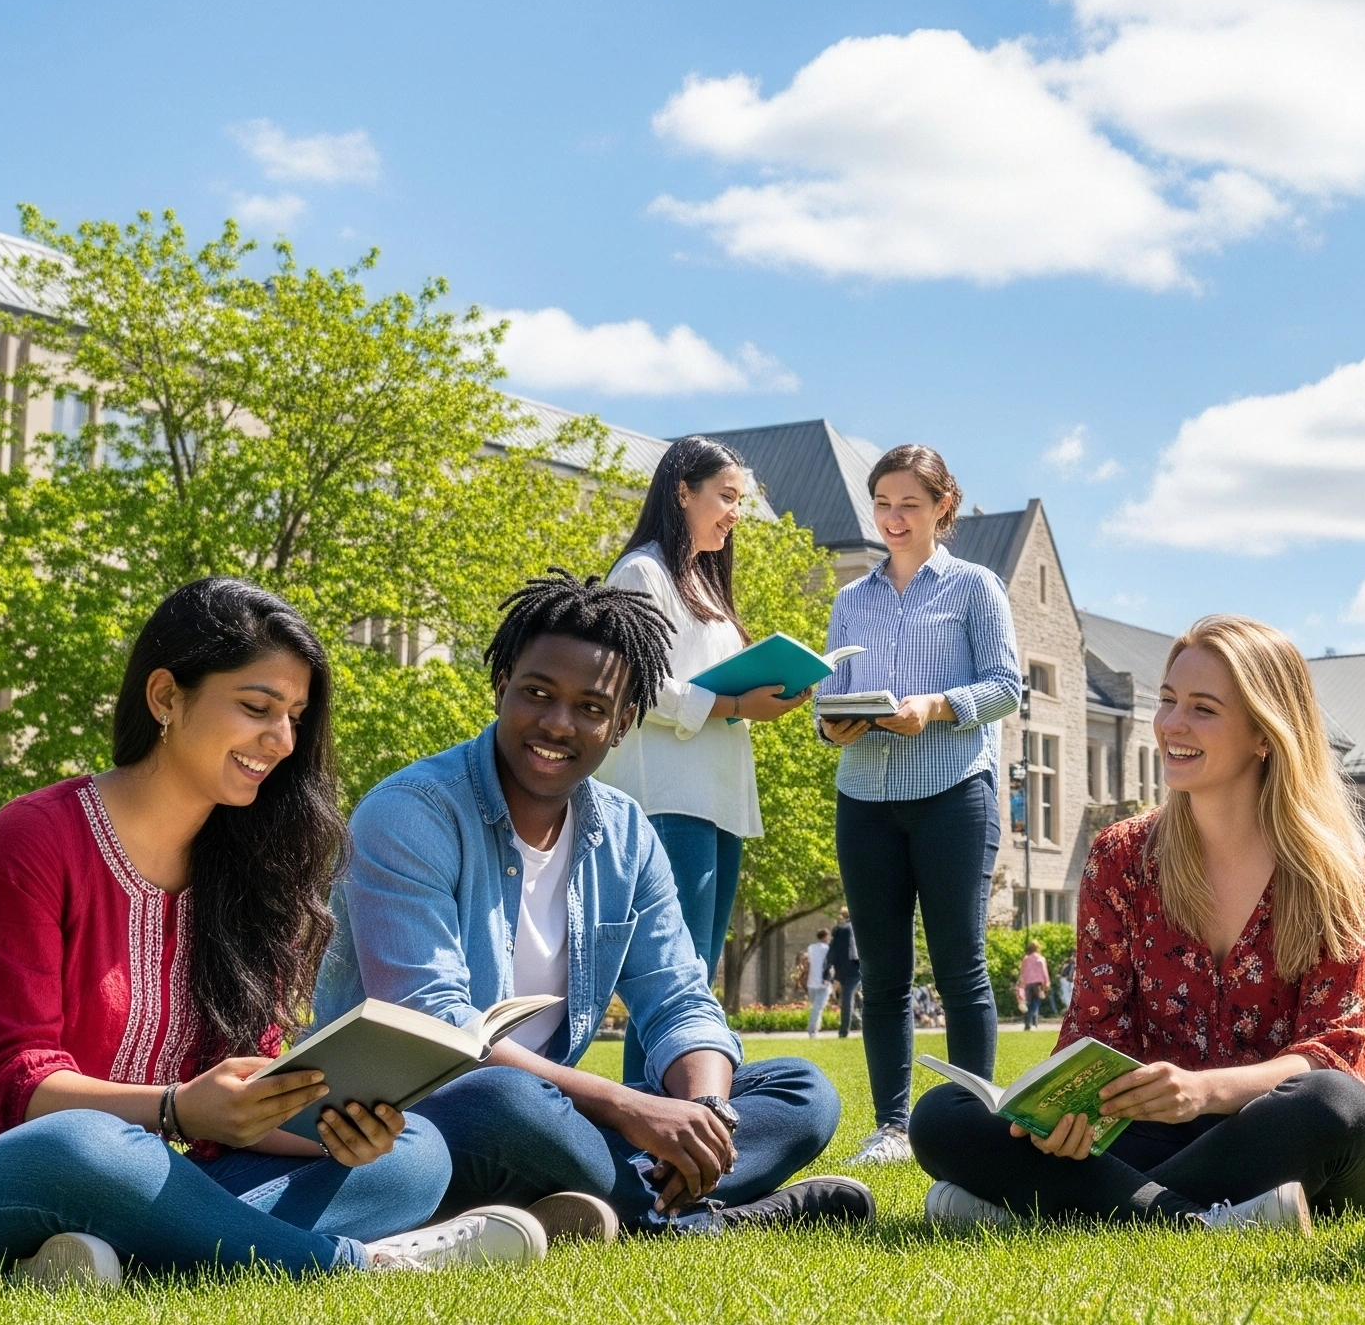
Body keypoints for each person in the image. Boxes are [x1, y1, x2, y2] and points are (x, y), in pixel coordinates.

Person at [0, 578, 537, 1289]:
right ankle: (358, 1264)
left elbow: (238, 1099)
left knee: (415, 1152)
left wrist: (331, 1123)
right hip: (16, 1165)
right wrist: (174, 1106)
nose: (283, 739)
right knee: (88, 1145)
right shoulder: (33, 840)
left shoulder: (252, 872)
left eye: (295, 716)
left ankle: (114, 1255)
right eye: (258, 707)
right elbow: (2, 1086)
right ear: (166, 696)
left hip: (171, 1171)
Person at [317, 571, 870, 1238]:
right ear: (501, 688)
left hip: (556, 1117)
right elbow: (436, 1030)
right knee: (507, 1101)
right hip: (423, 1114)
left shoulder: (627, 834)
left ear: (623, 722)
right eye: (538, 694)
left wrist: (706, 1115)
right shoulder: (410, 814)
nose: (557, 722)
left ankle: (604, 1199)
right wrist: (629, 1105)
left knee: (802, 1093)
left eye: (591, 707)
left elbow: (678, 999)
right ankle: (701, 1219)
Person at [912, 615, 1365, 1235]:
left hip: (1278, 1136)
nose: (1171, 725)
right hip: (1149, 1136)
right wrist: (1066, 1111)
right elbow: (1094, 1030)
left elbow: (1333, 1051)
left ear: (1264, 734)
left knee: (1337, 1105)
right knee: (943, 1116)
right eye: (1167, 702)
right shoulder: (1123, 857)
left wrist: (1204, 1091)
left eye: (1203, 709)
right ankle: (1196, 1220)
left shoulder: (1332, 869)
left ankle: (1055, 1210)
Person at [816, 445, 1023, 1167]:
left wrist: (937, 706)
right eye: (883, 503)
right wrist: (830, 722)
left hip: (953, 795)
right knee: (882, 972)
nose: (893, 517)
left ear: (942, 507)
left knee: (961, 964)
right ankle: (893, 1126)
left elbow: (1006, 687)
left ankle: (976, 1117)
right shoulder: (851, 600)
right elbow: (827, 694)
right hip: (864, 796)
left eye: (909, 503)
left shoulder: (976, 588)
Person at [599, 437, 802, 1008]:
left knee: (697, 972)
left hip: (719, 796)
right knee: (669, 971)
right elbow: (638, 684)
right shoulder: (640, 574)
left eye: (741, 499)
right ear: (684, 492)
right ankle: (647, 1096)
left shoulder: (707, 583)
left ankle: (687, 1094)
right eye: (727, 496)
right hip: (667, 794)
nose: (736, 513)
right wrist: (737, 706)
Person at [830, 910, 861, 1039]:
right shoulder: (859, 927)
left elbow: (834, 951)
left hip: (850, 970)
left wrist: (830, 968)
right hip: (861, 967)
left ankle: (844, 1031)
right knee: (859, 997)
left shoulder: (843, 929)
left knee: (847, 998)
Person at [805, 931, 833, 1039]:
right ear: (826, 937)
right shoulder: (827, 949)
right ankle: (812, 1030)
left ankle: (815, 1028)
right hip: (822, 983)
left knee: (816, 1007)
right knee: (817, 1008)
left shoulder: (811, 947)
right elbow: (829, 963)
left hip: (811, 983)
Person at [1020, 941, 1051, 1031]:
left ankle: (1028, 1024)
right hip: (1038, 984)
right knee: (1035, 1004)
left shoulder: (1026, 959)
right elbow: (1044, 972)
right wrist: (1047, 983)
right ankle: (1033, 1023)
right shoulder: (1041, 959)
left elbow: (1023, 972)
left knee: (1028, 1004)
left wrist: (1021, 983)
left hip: (1028, 984)